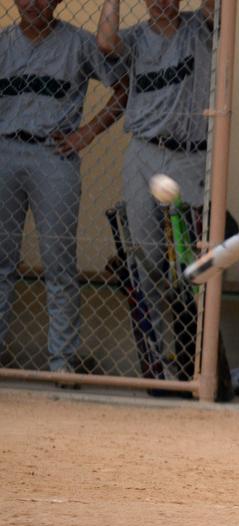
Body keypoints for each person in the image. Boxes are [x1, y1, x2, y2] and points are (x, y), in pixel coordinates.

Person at [0, 0, 127, 374]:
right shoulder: (3, 43)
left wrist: (86, 132)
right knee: (1, 262)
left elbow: (122, 88)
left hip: (52, 155)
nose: (34, 3)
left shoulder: (78, 43)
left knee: (59, 264)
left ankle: (62, 362)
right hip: (4, 151)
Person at [95, 0, 214, 375]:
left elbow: (216, 7)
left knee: (195, 262)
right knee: (147, 260)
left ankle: (198, 358)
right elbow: (105, 41)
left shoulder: (200, 27)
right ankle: (160, 358)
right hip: (145, 151)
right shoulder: (135, 37)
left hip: (190, 155)